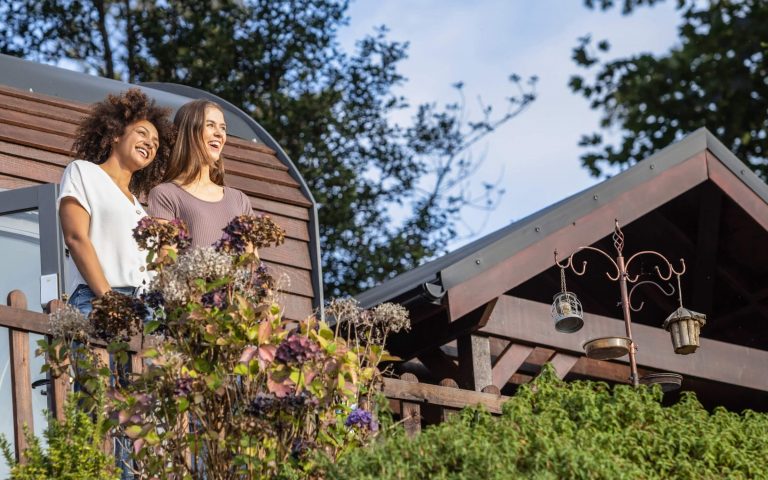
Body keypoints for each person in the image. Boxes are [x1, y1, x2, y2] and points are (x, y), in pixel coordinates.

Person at [59, 88, 174, 316]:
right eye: (142, 133)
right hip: (96, 301)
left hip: (144, 310)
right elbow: (75, 237)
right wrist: (109, 299)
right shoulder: (84, 172)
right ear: (116, 135)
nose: (150, 144)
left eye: (155, 143)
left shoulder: (141, 212)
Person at [147, 99, 253, 247]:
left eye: (223, 128)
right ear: (189, 131)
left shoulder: (240, 201)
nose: (219, 134)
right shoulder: (165, 195)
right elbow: (166, 262)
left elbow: (251, 265)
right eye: (210, 125)